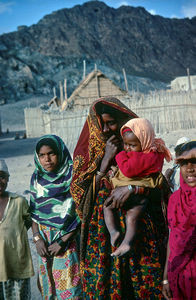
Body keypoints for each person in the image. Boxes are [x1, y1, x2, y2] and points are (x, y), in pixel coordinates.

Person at [70, 96, 169, 299]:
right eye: (101, 124)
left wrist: (134, 189)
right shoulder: (89, 155)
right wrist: (105, 160)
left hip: (141, 232)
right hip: (103, 236)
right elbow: (79, 195)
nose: (106, 129)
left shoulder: (140, 145)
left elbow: (160, 189)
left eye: (111, 122)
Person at [104, 118, 172, 257]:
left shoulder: (144, 156)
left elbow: (128, 170)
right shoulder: (153, 151)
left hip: (139, 189)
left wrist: (120, 155)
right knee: (131, 215)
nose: (128, 148)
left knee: (111, 208)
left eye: (132, 145)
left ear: (144, 141)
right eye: (126, 144)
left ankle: (117, 234)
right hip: (140, 190)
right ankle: (120, 237)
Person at [30, 134, 82, 300]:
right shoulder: (36, 177)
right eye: (42, 155)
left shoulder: (73, 176)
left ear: (60, 152)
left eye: (52, 153)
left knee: (70, 289)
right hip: (44, 239)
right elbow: (34, 213)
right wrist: (37, 239)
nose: (47, 159)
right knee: (48, 286)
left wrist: (63, 241)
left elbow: (80, 214)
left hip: (67, 238)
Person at [162, 140, 196, 300]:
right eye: (184, 163)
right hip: (179, 275)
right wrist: (165, 277)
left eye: (195, 162)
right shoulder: (175, 199)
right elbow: (172, 238)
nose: (190, 168)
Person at [0, 159, 34, 300]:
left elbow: (28, 222)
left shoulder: (19, 202)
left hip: (17, 265)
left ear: (8, 178)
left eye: (2, 176)